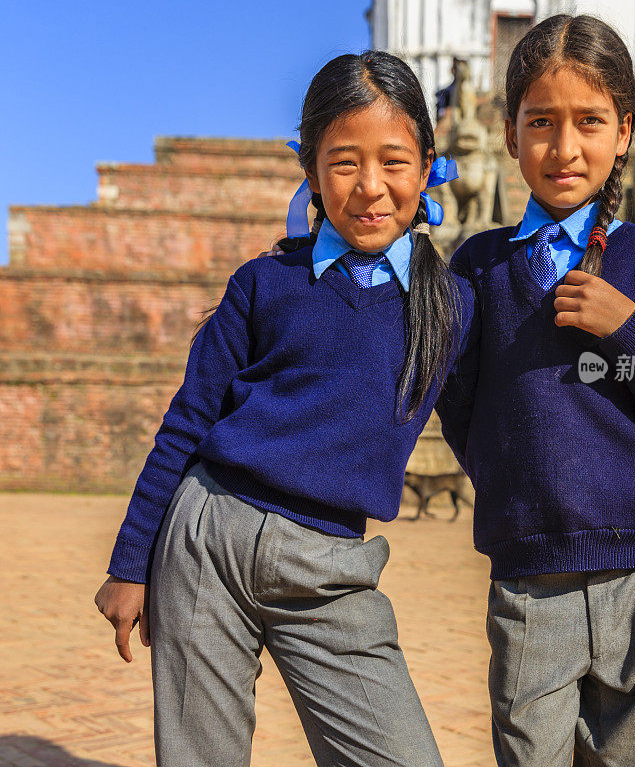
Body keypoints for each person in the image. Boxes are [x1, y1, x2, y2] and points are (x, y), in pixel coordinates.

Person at [93, 50, 474, 767]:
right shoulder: (263, 284)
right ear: (310, 172)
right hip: (206, 538)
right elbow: (186, 423)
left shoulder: (451, 306)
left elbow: (495, 414)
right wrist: (130, 562)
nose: (369, 188)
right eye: (342, 163)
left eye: (393, 161)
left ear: (426, 166)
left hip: (330, 568)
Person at [435, 14, 635, 767]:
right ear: (508, 134)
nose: (564, 148)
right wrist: (518, 486)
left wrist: (632, 327)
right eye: (541, 122)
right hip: (531, 581)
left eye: (589, 122)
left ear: (625, 131)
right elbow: (459, 405)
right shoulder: (476, 269)